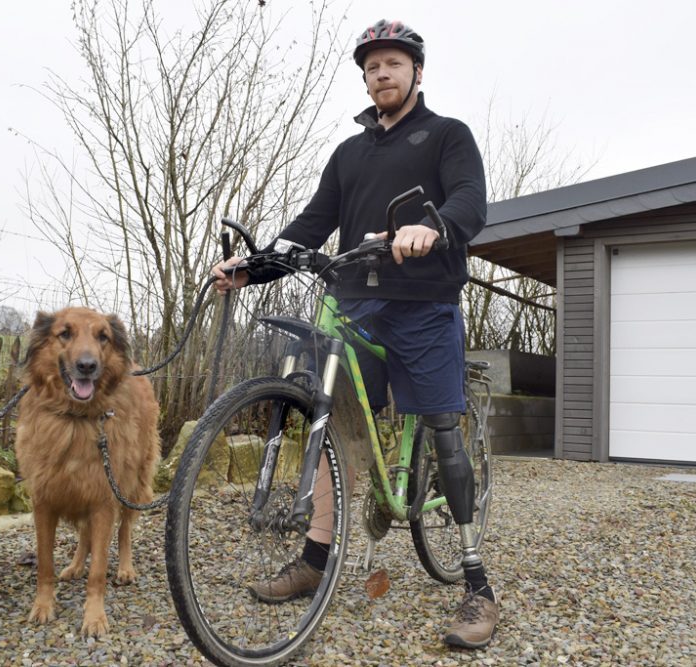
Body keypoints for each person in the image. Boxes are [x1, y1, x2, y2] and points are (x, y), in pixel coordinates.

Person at [211, 19, 498, 650]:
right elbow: (311, 224)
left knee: (443, 428)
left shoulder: (448, 136)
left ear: (416, 72)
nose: (381, 75)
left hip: (423, 302)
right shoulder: (349, 152)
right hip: (350, 304)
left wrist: (433, 228)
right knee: (323, 421)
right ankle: (315, 560)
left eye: (393, 64)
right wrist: (251, 266)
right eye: (371, 68)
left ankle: (476, 583)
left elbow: (472, 202)